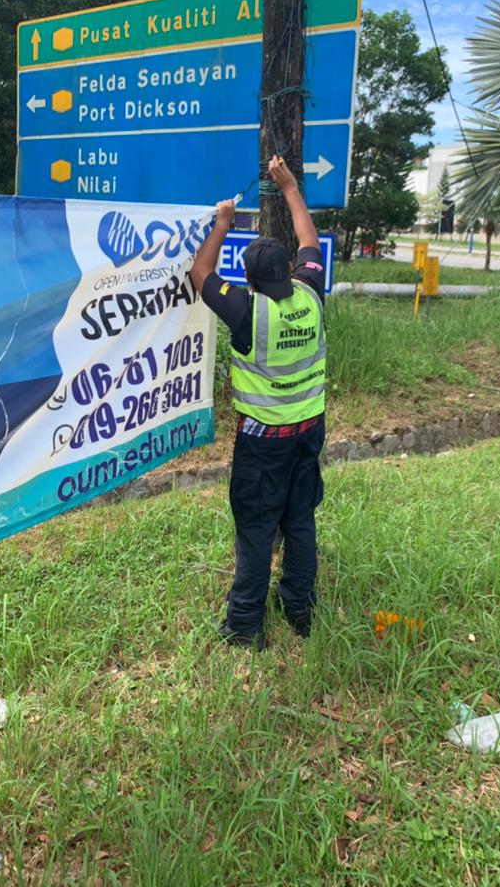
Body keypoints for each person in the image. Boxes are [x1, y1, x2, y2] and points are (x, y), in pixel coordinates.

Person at [190, 156, 326, 650]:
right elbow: (308, 238)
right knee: (299, 520)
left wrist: (222, 223)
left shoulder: (248, 311)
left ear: (247, 281)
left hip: (263, 444)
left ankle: (244, 627)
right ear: (290, 270)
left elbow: (200, 271)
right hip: (309, 433)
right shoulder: (310, 293)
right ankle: (300, 609)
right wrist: (289, 186)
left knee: (254, 530)